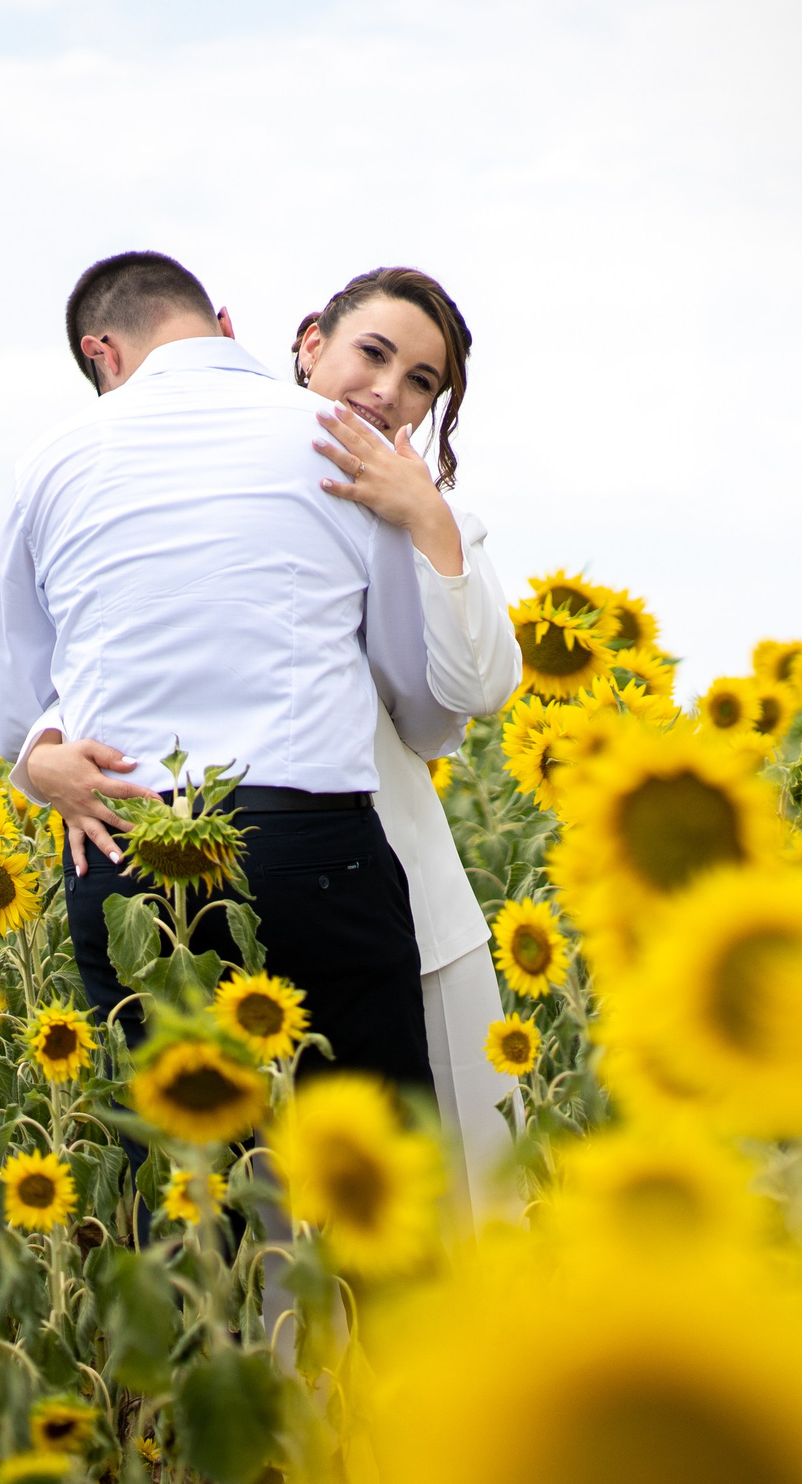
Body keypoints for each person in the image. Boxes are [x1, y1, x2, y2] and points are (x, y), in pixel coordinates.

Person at [0, 250, 460, 1092]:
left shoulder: (49, 462)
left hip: (125, 846)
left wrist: (44, 751)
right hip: (308, 841)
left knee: (186, 1175)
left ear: (103, 355)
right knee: (375, 1168)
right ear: (225, 327)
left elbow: (18, 715)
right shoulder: (339, 440)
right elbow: (417, 701)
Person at [291, 268, 523, 1225]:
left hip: (414, 909)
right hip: (256, 901)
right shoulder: (218, 506)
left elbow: (470, 695)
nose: (390, 391)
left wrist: (425, 517)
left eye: (422, 381)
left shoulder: (438, 523)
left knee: (456, 1213)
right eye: (373, 353)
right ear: (312, 343)